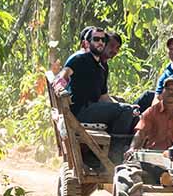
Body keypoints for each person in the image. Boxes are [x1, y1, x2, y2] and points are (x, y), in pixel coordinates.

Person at [55, 28, 136, 163]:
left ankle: (103, 154)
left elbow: (103, 97)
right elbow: (64, 73)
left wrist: (124, 107)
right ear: (88, 42)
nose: (100, 43)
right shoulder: (80, 58)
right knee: (125, 111)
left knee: (130, 112)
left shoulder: (102, 66)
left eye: (103, 40)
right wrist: (59, 85)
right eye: (96, 39)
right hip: (81, 111)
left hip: (93, 108)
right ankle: (112, 158)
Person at [131, 76, 173, 151]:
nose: (171, 92)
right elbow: (140, 133)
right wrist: (132, 148)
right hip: (153, 155)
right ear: (162, 92)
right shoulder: (151, 112)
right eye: (168, 89)